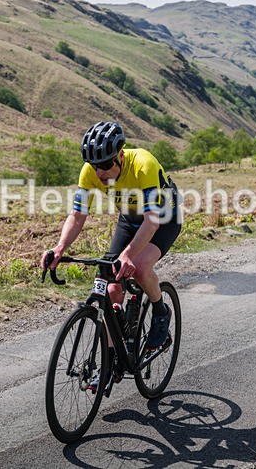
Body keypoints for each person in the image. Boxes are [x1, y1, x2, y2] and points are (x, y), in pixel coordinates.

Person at [41, 121, 181, 389]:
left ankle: (161, 311)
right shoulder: (91, 171)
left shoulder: (144, 164)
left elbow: (152, 221)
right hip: (129, 218)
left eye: (105, 165)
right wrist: (60, 248)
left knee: (138, 268)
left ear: (120, 155)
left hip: (163, 218)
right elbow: (78, 215)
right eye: (95, 166)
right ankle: (110, 360)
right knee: (110, 285)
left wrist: (129, 254)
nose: (100, 172)